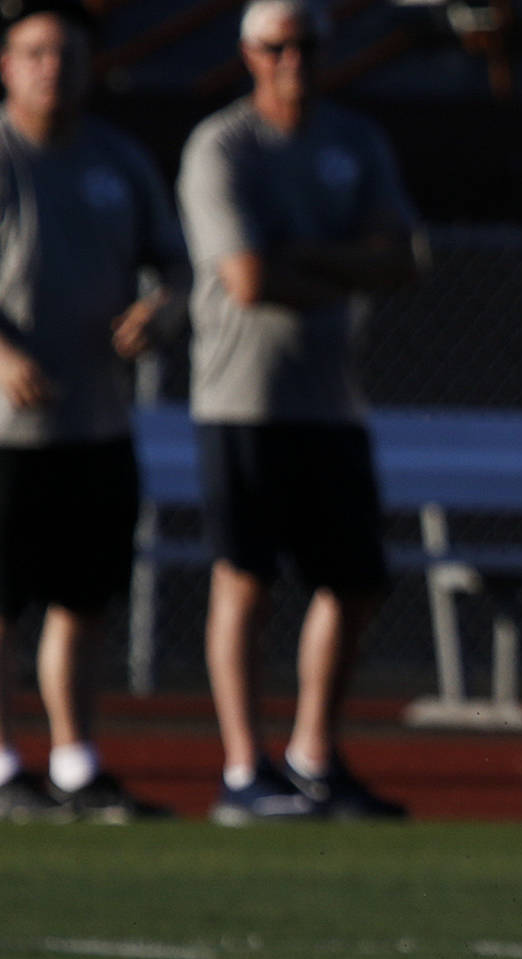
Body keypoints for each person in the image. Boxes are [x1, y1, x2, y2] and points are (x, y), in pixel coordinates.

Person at [0, 0, 184, 824]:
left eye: (66, 53)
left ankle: (76, 765)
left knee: (81, 605)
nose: (51, 67)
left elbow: (177, 268)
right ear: (6, 65)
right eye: (34, 53)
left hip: (95, 422)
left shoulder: (117, 160)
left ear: (92, 65)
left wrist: (162, 310)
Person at [178, 0, 419, 824]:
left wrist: (306, 261)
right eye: (277, 45)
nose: (294, 60)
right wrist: (346, 267)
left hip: (332, 398)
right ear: (249, 52)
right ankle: (244, 768)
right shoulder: (223, 144)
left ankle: (313, 756)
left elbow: (402, 259)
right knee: (246, 578)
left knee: (353, 581)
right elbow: (246, 280)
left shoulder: (355, 140)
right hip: (242, 399)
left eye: (307, 44)